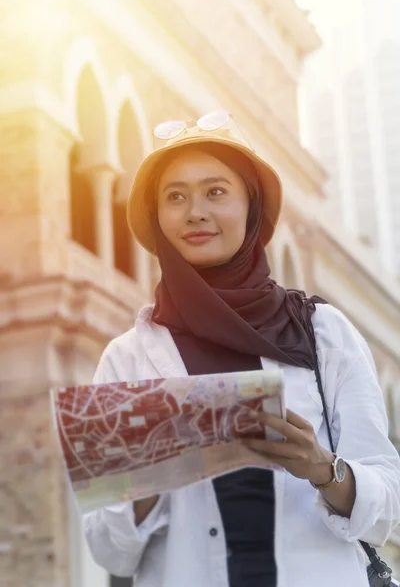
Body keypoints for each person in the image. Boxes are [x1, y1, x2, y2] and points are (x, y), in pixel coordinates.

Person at [83, 112, 400, 587]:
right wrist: (151, 476)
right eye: (175, 197)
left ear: (251, 209)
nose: (195, 212)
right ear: (156, 217)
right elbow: (108, 550)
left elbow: (387, 509)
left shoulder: (323, 332)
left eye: (215, 192)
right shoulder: (126, 360)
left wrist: (322, 468)